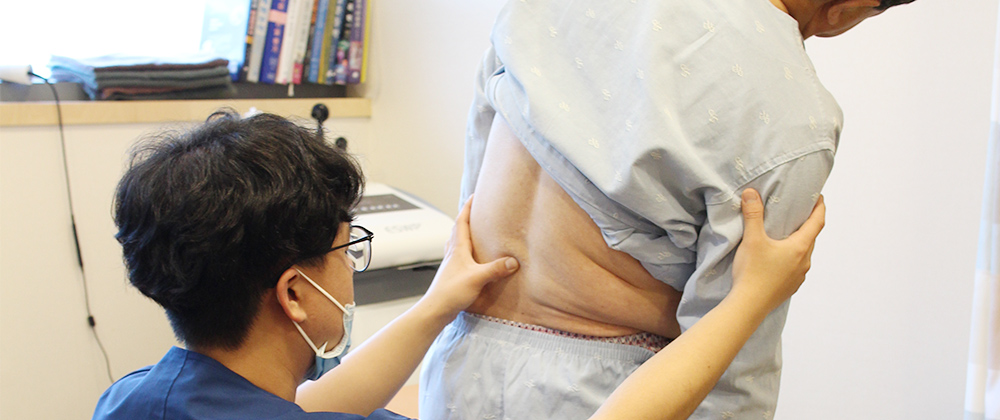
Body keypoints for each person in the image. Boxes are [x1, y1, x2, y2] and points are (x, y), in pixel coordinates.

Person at [93, 110, 824, 420]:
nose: (351, 267)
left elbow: (310, 405)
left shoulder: (132, 401)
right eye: (348, 249)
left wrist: (436, 304)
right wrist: (747, 300)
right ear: (294, 293)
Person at [421, 0, 914, 419]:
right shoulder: (794, 113)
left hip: (457, 362)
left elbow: (478, 158)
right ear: (849, 9)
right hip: (614, 393)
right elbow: (732, 363)